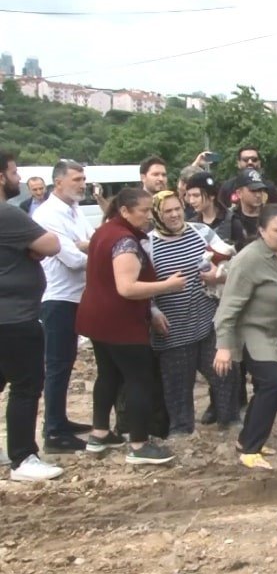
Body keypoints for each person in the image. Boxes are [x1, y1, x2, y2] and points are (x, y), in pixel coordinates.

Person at [77, 188, 185, 465]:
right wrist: (168, 285)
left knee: (108, 375)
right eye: (145, 211)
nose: (150, 216)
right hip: (120, 323)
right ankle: (139, 444)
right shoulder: (124, 240)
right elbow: (126, 287)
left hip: (96, 319)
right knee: (140, 380)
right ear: (125, 211)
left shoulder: (104, 230)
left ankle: (99, 434)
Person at [213, 204, 277, 469]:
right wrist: (223, 346)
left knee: (268, 387)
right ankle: (250, 451)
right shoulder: (249, 260)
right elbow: (228, 307)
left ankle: (246, 439)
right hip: (253, 331)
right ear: (262, 231)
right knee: (273, 383)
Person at [148, 191, 240, 434]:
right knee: (178, 383)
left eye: (177, 208)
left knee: (224, 372)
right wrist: (153, 311)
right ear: (157, 214)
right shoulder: (148, 244)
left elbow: (232, 260)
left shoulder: (201, 232)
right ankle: (181, 429)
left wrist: (217, 274)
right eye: (167, 211)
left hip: (208, 319)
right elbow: (142, 286)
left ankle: (229, 420)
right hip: (171, 327)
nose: (175, 214)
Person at [0, 153, 64, 481]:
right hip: (15, 319)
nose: (19, 178)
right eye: (13, 171)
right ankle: (23, 458)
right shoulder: (7, 214)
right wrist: (32, 247)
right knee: (26, 386)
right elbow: (51, 244)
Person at [32, 160, 95, 453]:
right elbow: (72, 259)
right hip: (58, 298)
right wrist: (83, 247)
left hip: (77, 295)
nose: (82, 184)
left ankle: (59, 420)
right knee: (57, 364)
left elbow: (92, 242)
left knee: (66, 361)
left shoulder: (76, 210)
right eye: (77, 179)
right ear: (58, 182)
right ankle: (54, 432)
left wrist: (84, 245)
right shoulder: (48, 214)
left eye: (83, 178)